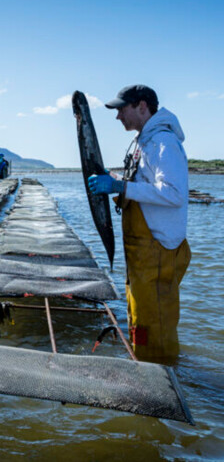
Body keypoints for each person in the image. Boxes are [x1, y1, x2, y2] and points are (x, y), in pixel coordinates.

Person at [88, 85, 191, 363]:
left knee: (156, 325)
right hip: (143, 255)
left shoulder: (163, 143)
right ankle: (147, 369)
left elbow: (174, 193)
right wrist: (109, 178)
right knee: (142, 321)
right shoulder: (143, 141)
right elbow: (141, 183)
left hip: (158, 251)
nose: (118, 116)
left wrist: (120, 186)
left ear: (142, 106)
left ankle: (165, 381)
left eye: (122, 109)